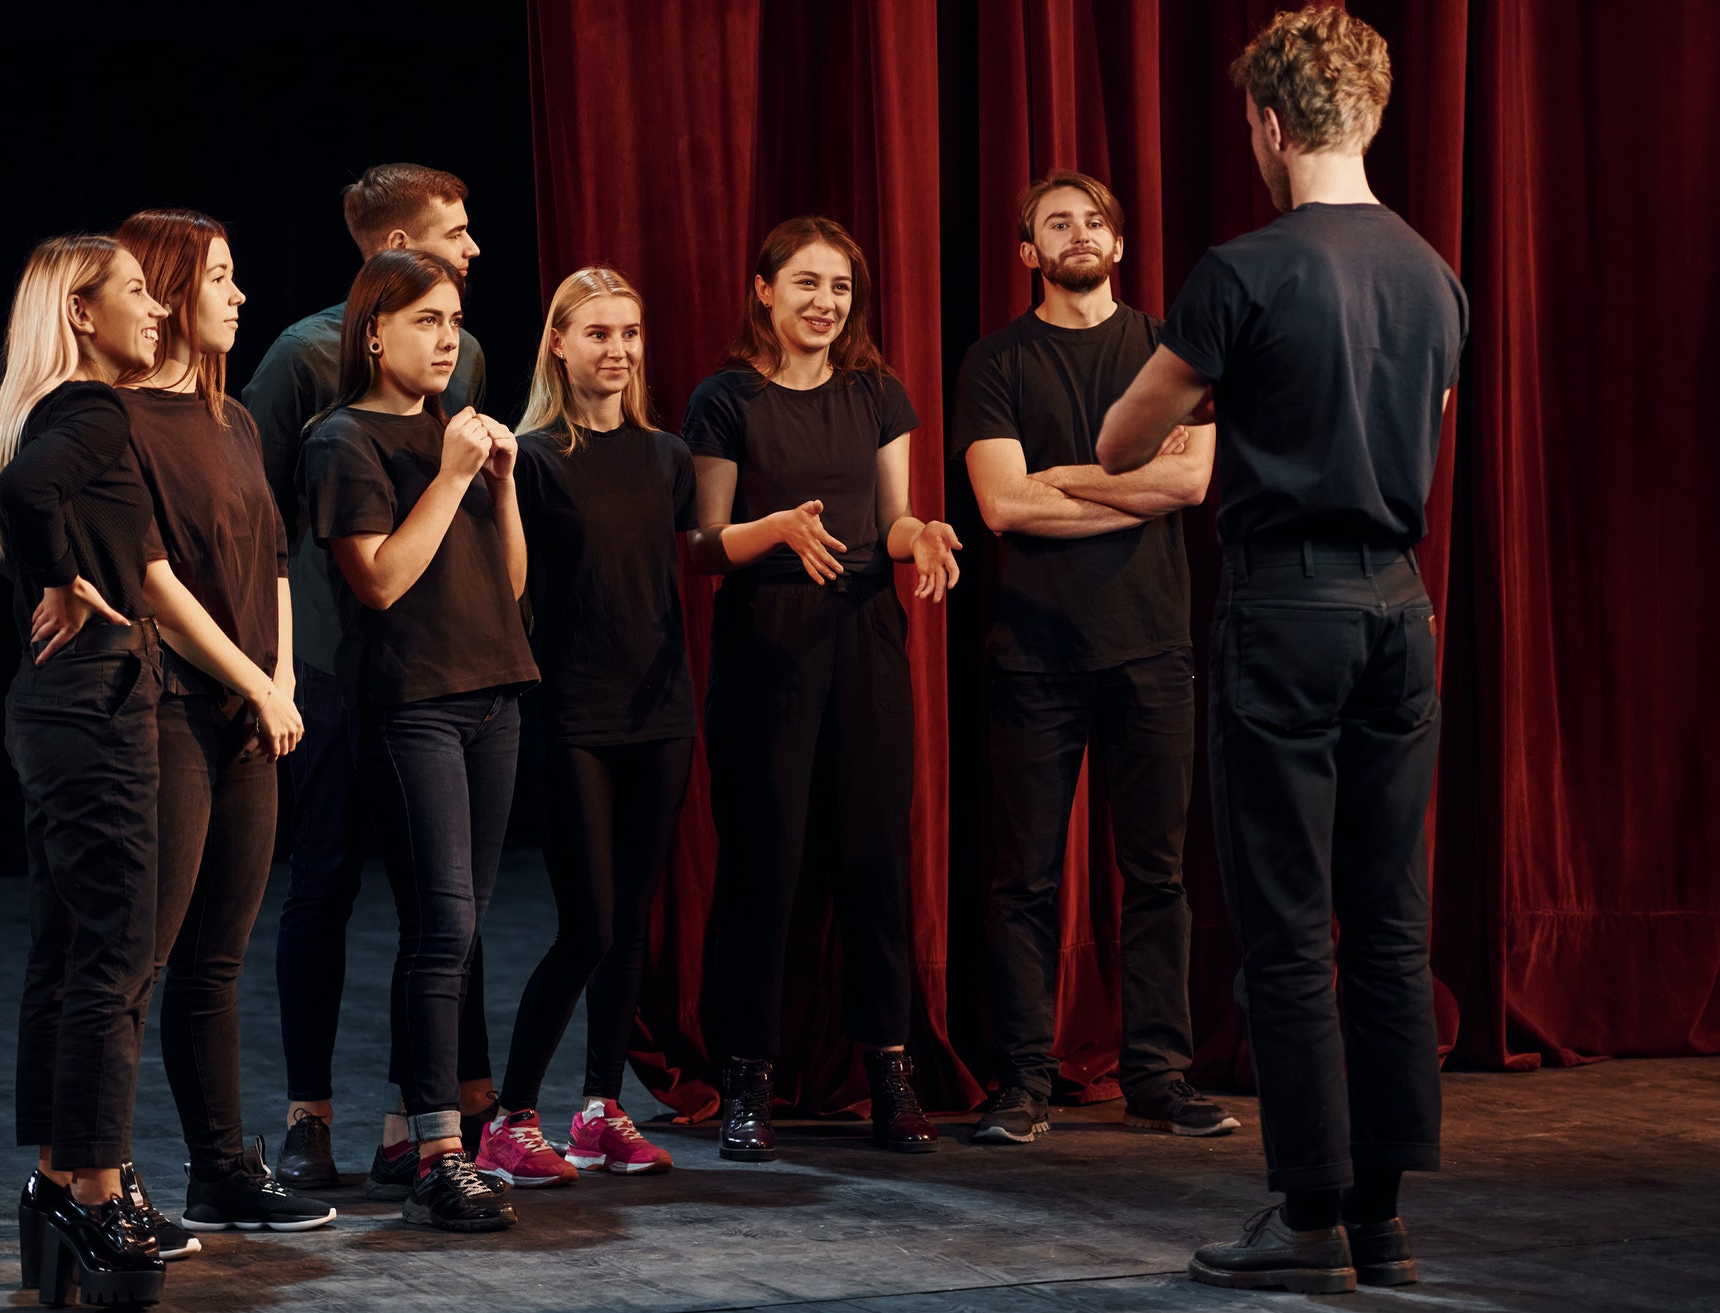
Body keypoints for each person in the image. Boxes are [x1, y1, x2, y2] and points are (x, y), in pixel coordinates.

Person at [1095, 6, 1466, 1294]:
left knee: (1286, 923)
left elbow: (1116, 445)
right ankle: (1382, 1217)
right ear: (1369, 113)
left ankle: (1306, 1217)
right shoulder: (1431, 272)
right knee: (1389, 918)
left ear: (1264, 121)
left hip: (1284, 613)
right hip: (1397, 610)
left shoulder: (1240, 270)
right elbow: (1408, 421)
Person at [953, 170, 1234, 1146]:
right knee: (1022, 878)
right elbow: (1000, 505)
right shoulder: (994, 359)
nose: (1079, 233)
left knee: (1155, 874)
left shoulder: (1167, 349)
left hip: (1151, 645)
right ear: (1027, 251)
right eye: (1055, 223)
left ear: (1117, 243)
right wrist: (1129, 480)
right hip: (1032, 653)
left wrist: (1066, 475)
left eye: (1094, 220)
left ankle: (1157, 1074)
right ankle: (1022, 1081)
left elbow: (1190, 483)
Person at [241, 163, 500, 1196]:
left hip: (436, 665)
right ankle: (309, 1113)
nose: (473, 248)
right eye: (454, 230)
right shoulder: (305, 356)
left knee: (447, 901)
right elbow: (257, 516)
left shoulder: (464, 351)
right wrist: (277, 668)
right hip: (339, 665)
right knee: (326, 885)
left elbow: (455, 497)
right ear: (391, 241)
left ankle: (423, 1114)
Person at [682, 216, 961, 1161]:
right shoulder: (726, 399)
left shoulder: (876, 392)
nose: (824, 303)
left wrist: (919, 535)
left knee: (877, 859)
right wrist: (776, 530)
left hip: (866, 643)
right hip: (767, 650)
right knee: (766, 866)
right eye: (805, 283)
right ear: (763, 289)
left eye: (839, 287)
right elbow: (703, 542)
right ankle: (747, 1082)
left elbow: (890, 518)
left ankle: (890, 1071)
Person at [0, 233, 172, 1307]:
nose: (156, 310)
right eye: (135, 293)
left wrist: (56, 568)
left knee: (70, 947)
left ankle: (52, 1178)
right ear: (82, 313)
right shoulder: (89, 411)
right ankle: (95, 1185)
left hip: (54, 709)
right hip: (93, 704)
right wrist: (69, 580)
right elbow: (27, 497)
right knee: (116, 951)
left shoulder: (33, 408)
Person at [299, 248, 535, 1233]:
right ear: (372, 332)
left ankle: (406, 1135)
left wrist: (503, 485)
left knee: (466, 926)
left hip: (495, 694)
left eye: (453, 320)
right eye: (425, 320)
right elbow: (381, 579)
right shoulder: (341, 439)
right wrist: (449, 477)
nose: (447, 338)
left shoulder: (457, 434)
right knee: (438, 926)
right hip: (414, 707)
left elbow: (510, 583)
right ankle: (441, 1151)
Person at [113, 208, 335, 1239]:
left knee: (219, 958)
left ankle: (220, 1169)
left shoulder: (237, 420)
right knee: (139, 958)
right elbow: (156, 584)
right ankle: (97, 1177)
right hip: (170, 710)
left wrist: (280, 673)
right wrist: (252, 678)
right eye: (220, 276)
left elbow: (277, 560)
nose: (239, 294)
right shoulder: (119, 423)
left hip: (256, 711)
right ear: (165, 290)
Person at [476, 268, 695, 1187]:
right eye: (598, 333)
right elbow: (515, 591)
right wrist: (497, 491)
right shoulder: (530, 456)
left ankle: (600, 1109)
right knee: (590, 923)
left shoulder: (668, 456)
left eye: (631, 333)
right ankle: (508, 1118)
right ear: (559, 344)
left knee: (633, 922)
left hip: (663, 712)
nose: (618, 350)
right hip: (572, 712)